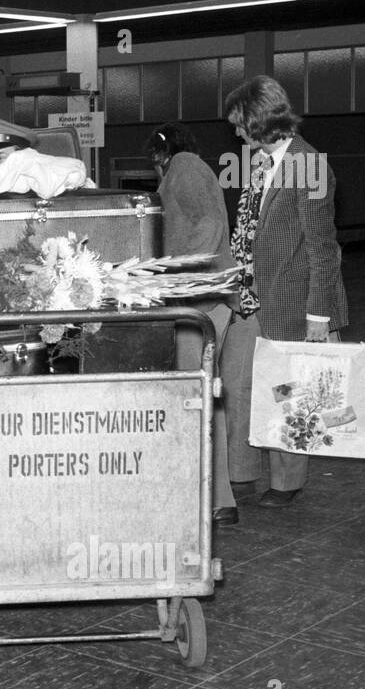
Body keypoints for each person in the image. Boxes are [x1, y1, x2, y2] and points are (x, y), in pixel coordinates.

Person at [220, 76, 349, 509]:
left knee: (288, 394)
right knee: (238, 387)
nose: (236, 132)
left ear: (261, 120)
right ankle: (241, 474)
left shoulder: (308, 165)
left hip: (291, 301)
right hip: (247, 294)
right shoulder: (257, 160)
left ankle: (287, 481)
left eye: (241, 124)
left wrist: (319, 317)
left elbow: (322, 248)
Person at [147, 123, 238, 525]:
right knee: (201, 392)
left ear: (161, 152)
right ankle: (214, 495)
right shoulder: (192, 167)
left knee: (197, 395)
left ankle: (217, 499)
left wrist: (178, 276)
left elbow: (209, 226)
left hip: (200, 301)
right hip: (201, 299)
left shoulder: (184, 167)